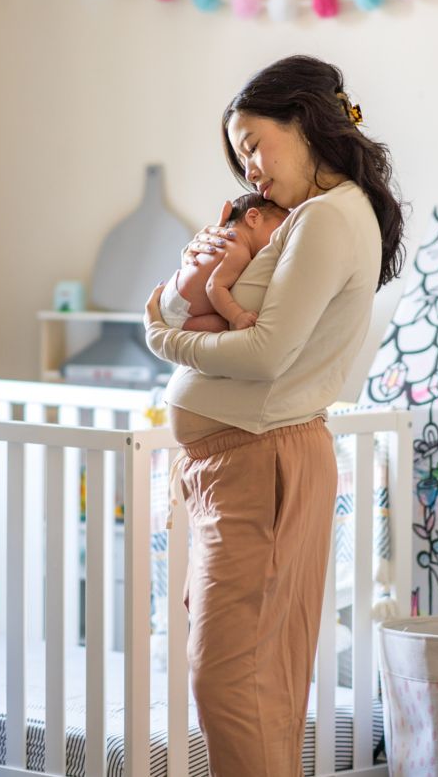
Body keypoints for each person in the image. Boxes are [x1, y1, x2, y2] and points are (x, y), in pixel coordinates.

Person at [144, 54, 405, 777]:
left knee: (231, 684)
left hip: (258, 464)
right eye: (240, 157)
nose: (248, 169)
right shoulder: (300, 219)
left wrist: (163, 338)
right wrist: (184, 293)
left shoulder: (327, 218)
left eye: (253, 143)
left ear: (302, 117)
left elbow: (265, 354)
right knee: (260, 687)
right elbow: (206, 304)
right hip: (237, 465)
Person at [159, 193, 288, 332]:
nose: (283, 241)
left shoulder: (223, 240)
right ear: (253, 218)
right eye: (281, 231)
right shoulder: (238, 251)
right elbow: (213, 287)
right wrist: (238, 316)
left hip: (171, 295)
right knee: (225, 326)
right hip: (179, 314)